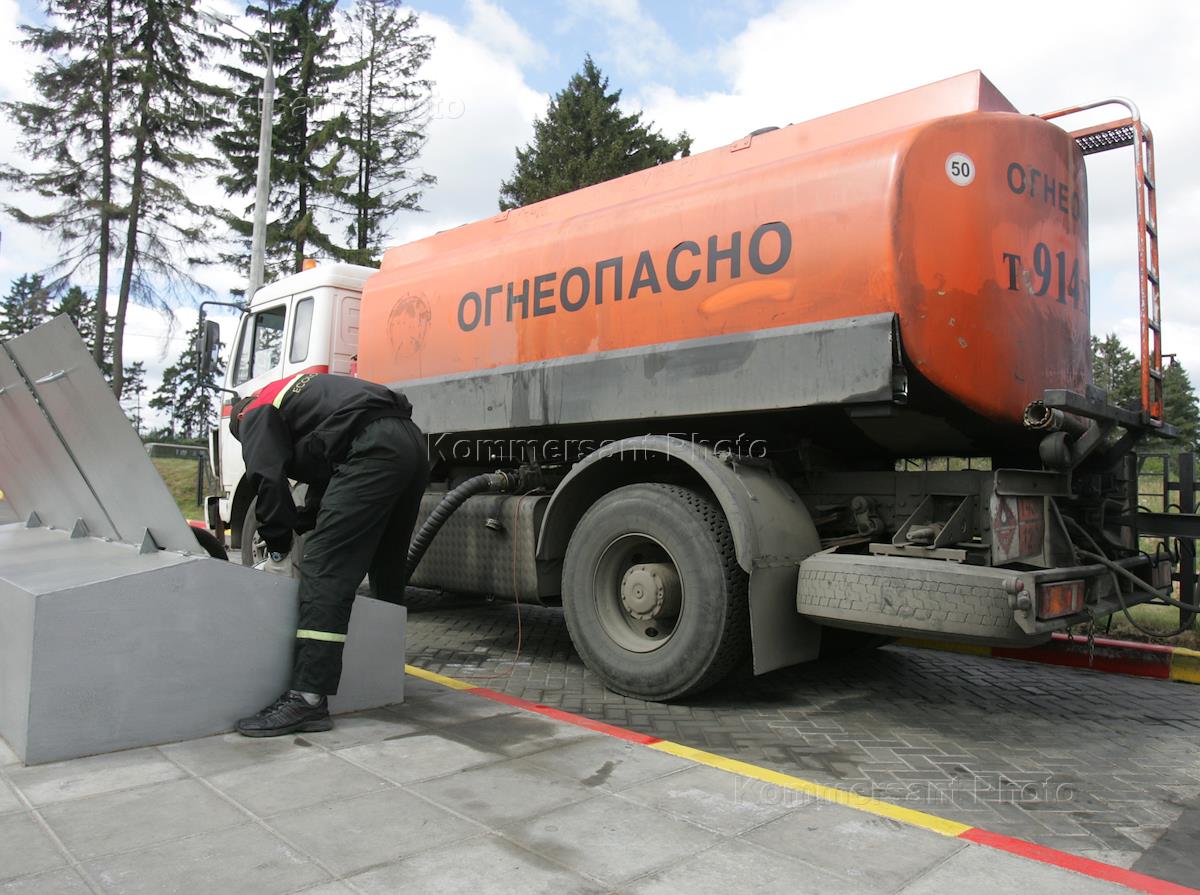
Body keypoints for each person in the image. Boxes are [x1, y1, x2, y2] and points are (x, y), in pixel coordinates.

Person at [228, 371, 428, 736]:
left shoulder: (254, 412)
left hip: (372, 446)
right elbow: (329, 476)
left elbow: (267, 479)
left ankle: (307, 698)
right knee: (387, 564)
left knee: (323, 568)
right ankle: (382, 676)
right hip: (410, 442)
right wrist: (303, 521)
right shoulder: (301, 397)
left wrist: (278, 550)